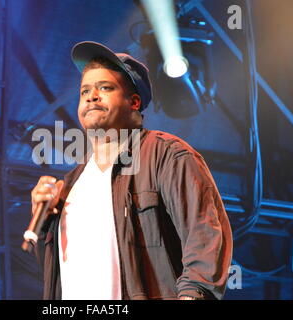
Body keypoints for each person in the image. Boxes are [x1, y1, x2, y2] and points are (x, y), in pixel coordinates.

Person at [29, 41, 233, 300]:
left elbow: (203, 234)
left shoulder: (166, 155)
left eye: (105, 88)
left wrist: (193, 295)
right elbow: (56, 269)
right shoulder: (70, 185)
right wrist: (44, 219)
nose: (92, 96)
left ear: (134, 102)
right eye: (85, 91)